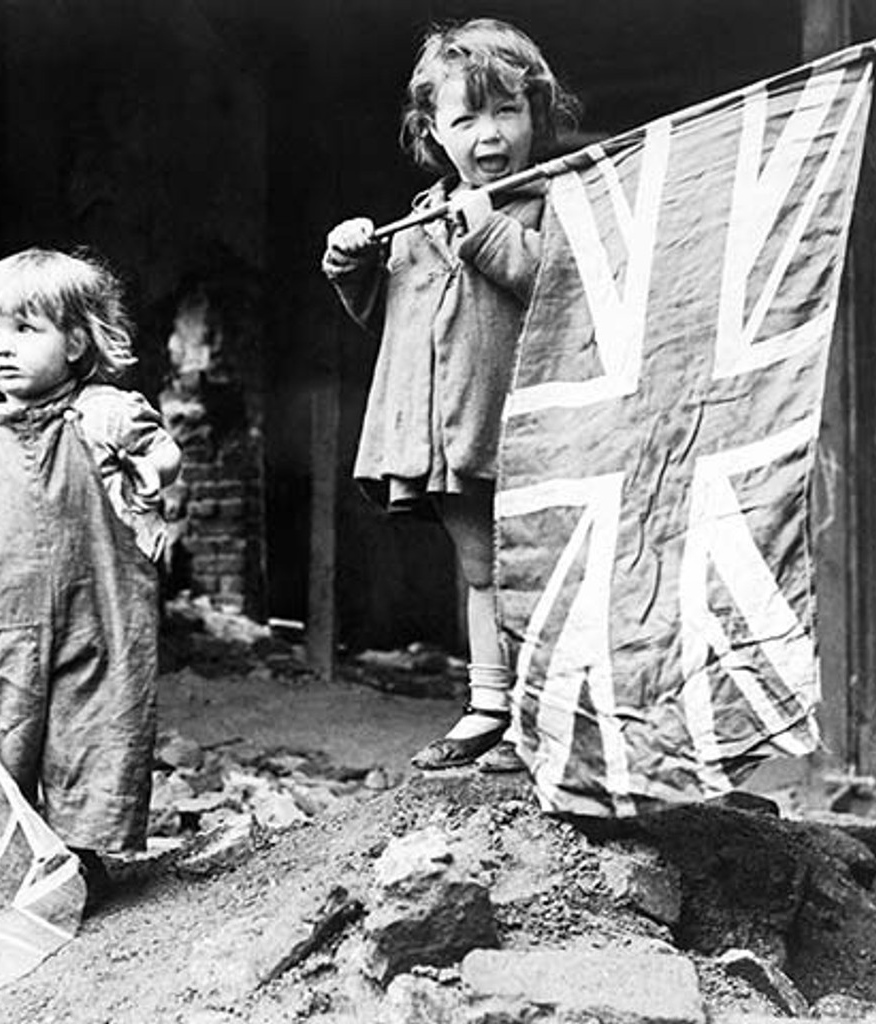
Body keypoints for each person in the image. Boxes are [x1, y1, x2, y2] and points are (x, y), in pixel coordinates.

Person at [321, 19, 577, 772]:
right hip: (451, 434)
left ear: (537, 112)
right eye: (466, 118)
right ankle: (489, 708)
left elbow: (566, 292)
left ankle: (542, 719)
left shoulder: (556, 203)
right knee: (481, 570)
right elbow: (387, 311)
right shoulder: (419, 219)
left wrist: (490, 231)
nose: (489, 134)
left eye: (507, 111)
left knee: (536, 571)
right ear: (432, 130)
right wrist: (351, 263)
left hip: (528, 430)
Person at [0, 246, 181, 910]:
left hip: (99, 612)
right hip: (1, 621)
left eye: (26, 330)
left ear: (76, 341)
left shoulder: (105, 414)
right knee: (3, 730)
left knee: (89, 727)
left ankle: (77, 860)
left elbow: (163, 451)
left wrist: (152, 475)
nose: (3, 348)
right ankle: (3, 863)